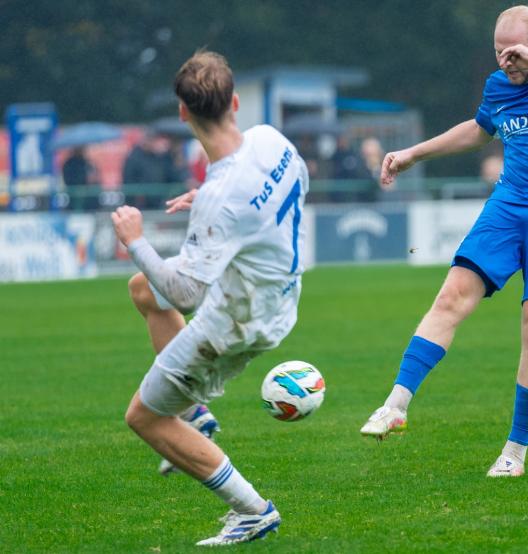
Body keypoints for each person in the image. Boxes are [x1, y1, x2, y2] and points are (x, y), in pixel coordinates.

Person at [359, 4, 528, 477]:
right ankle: (395, 404)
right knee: (452, 294)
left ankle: (514, 452)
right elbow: (480, 130)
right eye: (500, 52)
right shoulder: (498, 86)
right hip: (511, 201)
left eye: (516, 52)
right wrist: (413, 154)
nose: (507, 61)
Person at [112, 50, 308, 546]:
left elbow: (185, 294)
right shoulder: (270, 140)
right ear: (235, 102)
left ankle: (253, 511)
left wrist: (135, 241)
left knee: (144, 417)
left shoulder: (223, 196)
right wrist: (212, 204)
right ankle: (195, 414)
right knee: (144, 290)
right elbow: (288, 187)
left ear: (183, 113)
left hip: (240, 320)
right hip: (280, 290)